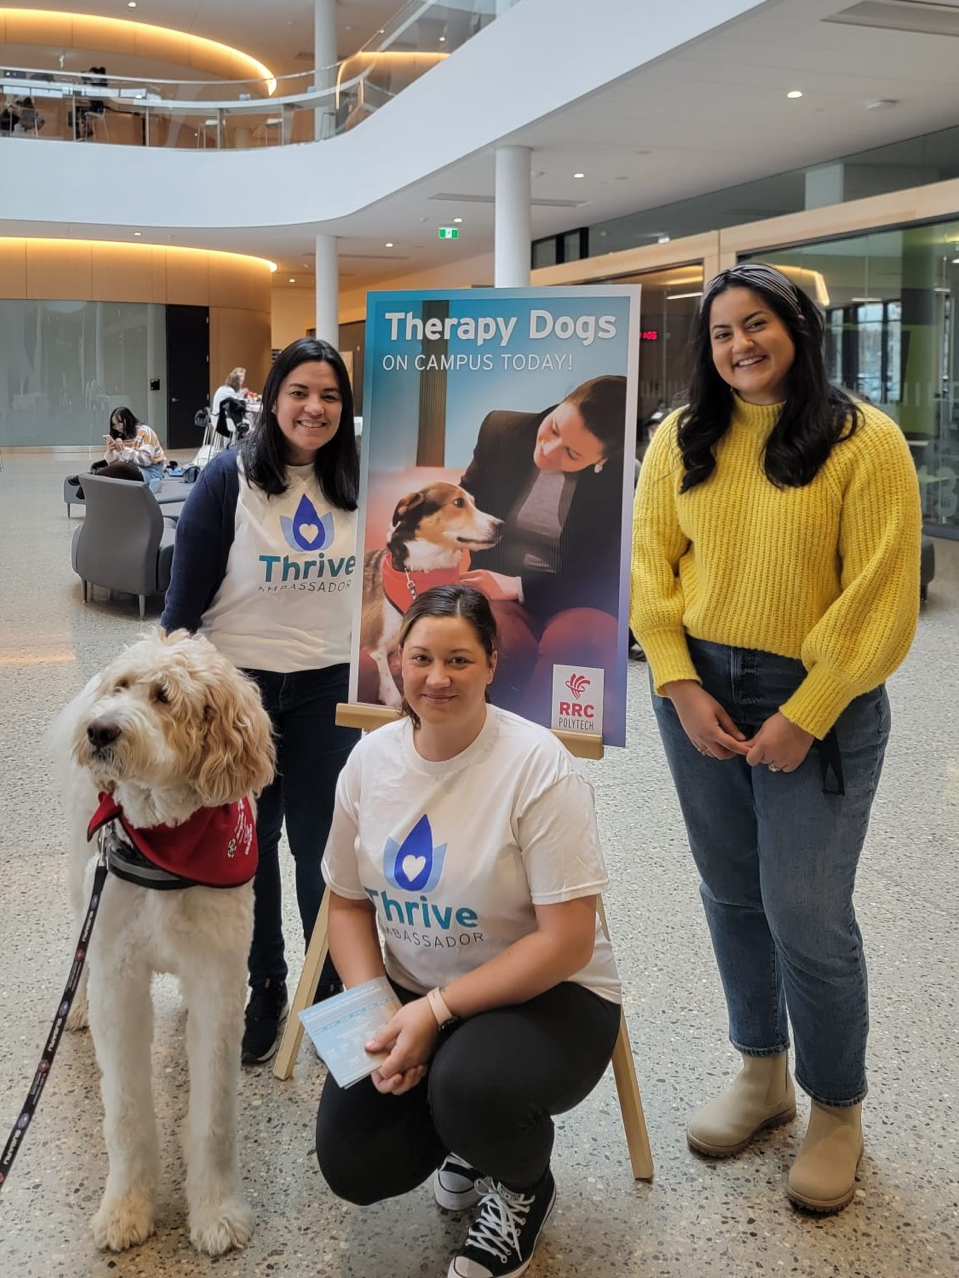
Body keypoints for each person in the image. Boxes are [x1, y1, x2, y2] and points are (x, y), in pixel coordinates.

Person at [631, 262, 922, 1213]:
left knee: (805, 910)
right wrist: (675, 681)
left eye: (755, 325)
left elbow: (879, 596)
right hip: (700, 692)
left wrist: (810, 709)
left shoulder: (861, 440)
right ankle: (759, 1072)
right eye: (720, 334)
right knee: (729, 892)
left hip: (814, 697)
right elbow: (650, 568)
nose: (738, 346)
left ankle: (834, 1106)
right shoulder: (680, 438)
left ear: (796, 328)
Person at [315, 583, 621, 1278]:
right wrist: (380, 1011)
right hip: (413, 986)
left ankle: (521, 1186)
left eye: (458, 660)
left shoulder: (537, 765)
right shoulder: (369, 760)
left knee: (471, 1088)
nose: (436, 678)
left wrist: (435, 1011)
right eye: (420, 658)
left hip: (548, 994)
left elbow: (567, 941)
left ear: (491, 662)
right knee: (353, 1165)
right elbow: (346, 903)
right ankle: (466, 1137)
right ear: (395, 662)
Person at [161, 337, 361, 1065]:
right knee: (251, 849)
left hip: (330, 693)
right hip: (237, 694)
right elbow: (181, 609)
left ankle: (332, 987)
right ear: (270, 400)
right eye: (300, 392)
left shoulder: (361, 478)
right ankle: (268, 982)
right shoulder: (226, 479)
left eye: (330, 395)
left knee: (325, 849)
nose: (314, 407)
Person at [459, 375, 629, 728]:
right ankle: (486, 746)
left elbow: (605, 573)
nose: (548, 451)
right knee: (497, 643)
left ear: (601, 459)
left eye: (572, 453)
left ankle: (540, 757)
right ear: (561, 402)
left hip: (576, 596)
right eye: (553, 428)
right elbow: (466, 509)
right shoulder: (502, 430)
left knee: (578, 644)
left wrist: (518, 586)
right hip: (495, 584)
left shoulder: (622, 477)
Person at [103, 406, 167, 484]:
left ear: (129, 419)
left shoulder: (145, 431)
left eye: (120, 422)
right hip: (132, 469)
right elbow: (114, 464)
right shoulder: (121, 436)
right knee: (100, 467)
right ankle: (88, 484)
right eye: (114, 425)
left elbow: (146, 460)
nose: (118, 427)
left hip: (151, 472)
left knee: (120, 468)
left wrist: (124, 450)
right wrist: (110, 452)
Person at [210, 367, 251, 453]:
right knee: (249, 422)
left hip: (217, 417)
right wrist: (242, 394)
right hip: (223, 421)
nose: (242, 380)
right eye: (240, 378)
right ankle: (242, 448)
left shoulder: (223, 388)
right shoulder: (229, 391)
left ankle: (233, 447)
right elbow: (237, 402)